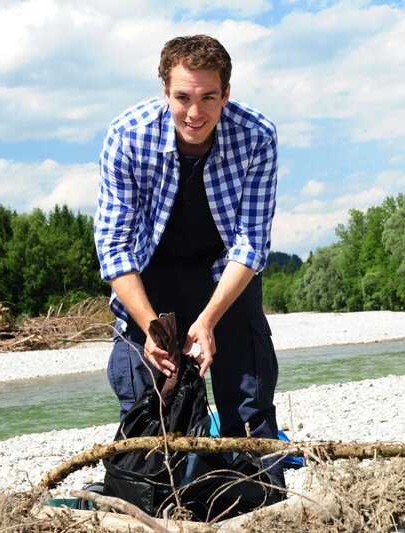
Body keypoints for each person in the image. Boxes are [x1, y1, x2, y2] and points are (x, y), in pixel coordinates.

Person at [94, 35, 282, 482]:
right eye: (182, 97)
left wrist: (210, 319)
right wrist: (150, 327)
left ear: (226, 94)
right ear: (165, 93)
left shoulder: (257, 136)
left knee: (249, 401)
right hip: (150, 277)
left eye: (208, 98)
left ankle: (262, 503)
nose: (194, 113)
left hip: (227, 277)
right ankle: (155, 503)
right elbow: (114, 246)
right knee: (147, 403)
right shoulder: (127, 136)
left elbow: (250, 243)